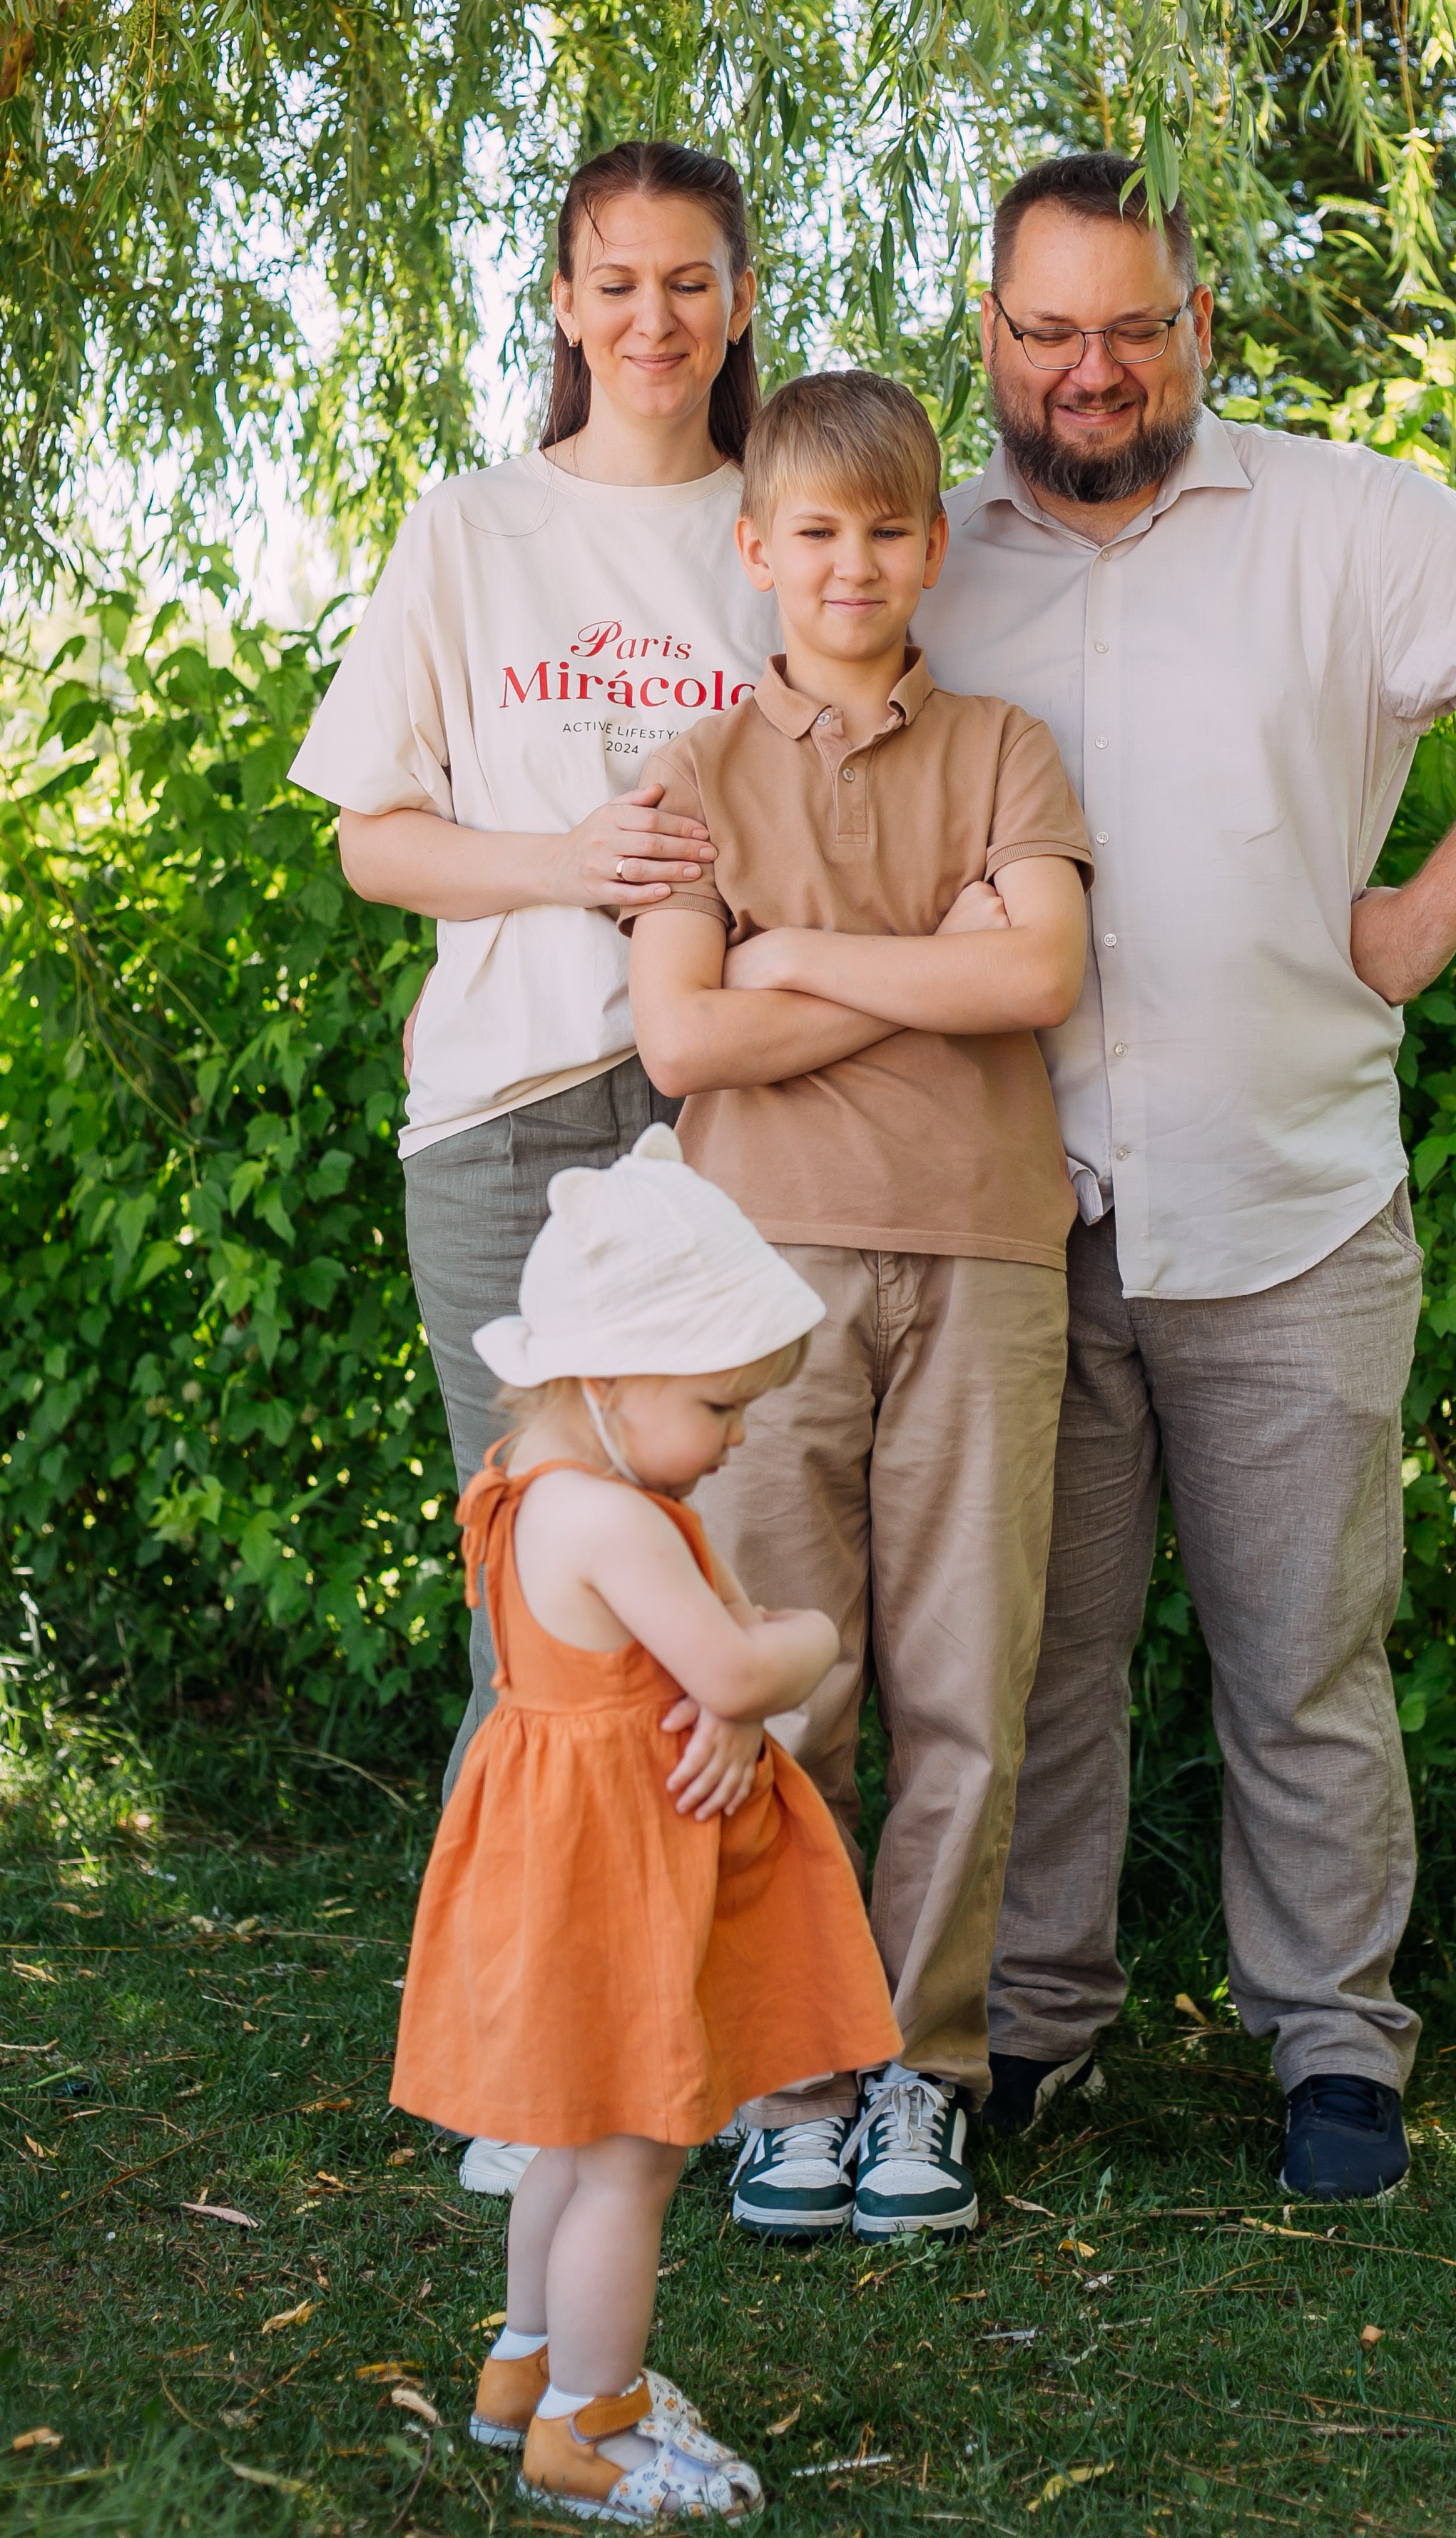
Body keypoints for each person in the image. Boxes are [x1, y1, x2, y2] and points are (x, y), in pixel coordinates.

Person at [910, 151, 1456, 2193]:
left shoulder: (1340, 518)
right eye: (1046, 330)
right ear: (986, 333)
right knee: (1025, 1662)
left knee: (1302, 1653)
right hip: (1012, 1212)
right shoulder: (928, 557)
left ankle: (1333, 2047)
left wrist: (1414, 922)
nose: (1088, 369)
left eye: (1129, 329)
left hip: (1291, 1197)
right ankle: (1027, 2032)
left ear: (1196, 330)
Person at [625, 369, 1091, 2240]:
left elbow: (1038, 972)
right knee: (776, 1693)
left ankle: (923, 2068)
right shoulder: (691, 776)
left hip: (984, 1255)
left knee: (963, 1686)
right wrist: (929, 966)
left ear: (930, 545)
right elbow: (682, 1032)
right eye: (811, 532)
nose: (849, 563)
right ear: (754, 551)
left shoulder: (1003, 748)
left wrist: (799, 950)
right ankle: (788, 2076)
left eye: (885, 529)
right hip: (756, 1276)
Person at [290, 138, 780, 1812]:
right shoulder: (472, 529)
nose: (654, 317)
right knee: (546, 1609)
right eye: (618, 283)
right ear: (567, 305)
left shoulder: (789, 524)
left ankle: (733, 2040)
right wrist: (563, 867)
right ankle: (519, 2047)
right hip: (508, 1115)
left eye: (688, 282)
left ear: (736, 302)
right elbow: (374, 839)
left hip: (736, 1103)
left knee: (731, 1587)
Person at [390, 1126, 901, 2522]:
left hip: (570, 1855)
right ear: (611, 1378)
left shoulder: (541, 1487)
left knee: (571, 2132)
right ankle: (588, 2427)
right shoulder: (608, 1519)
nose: (738, 1437)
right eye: (722, 1406)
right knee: (633, 2150)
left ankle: (523, 2370)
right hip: (610, 1869)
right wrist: (800, 1649)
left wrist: (732, 1684)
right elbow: (738, 1656)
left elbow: (695, 1657)